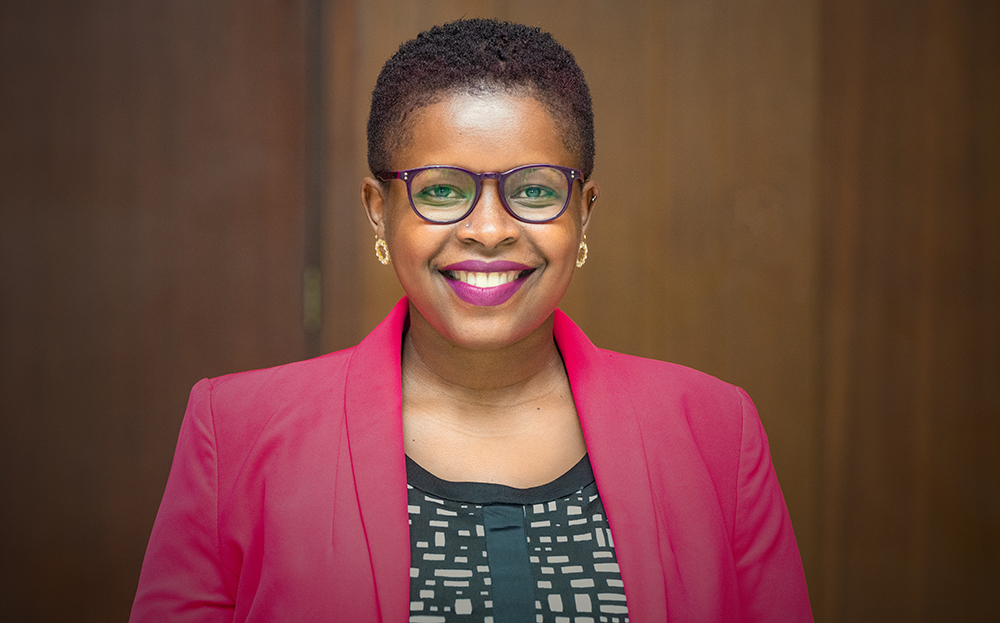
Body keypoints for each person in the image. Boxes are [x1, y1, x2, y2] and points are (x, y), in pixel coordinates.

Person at [130, 18, 813, 623]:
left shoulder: (717, 434)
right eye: (442, 191)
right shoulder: (236, 432)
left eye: (535, 190)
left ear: (585, 212)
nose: (489, 230)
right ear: (378, 210)